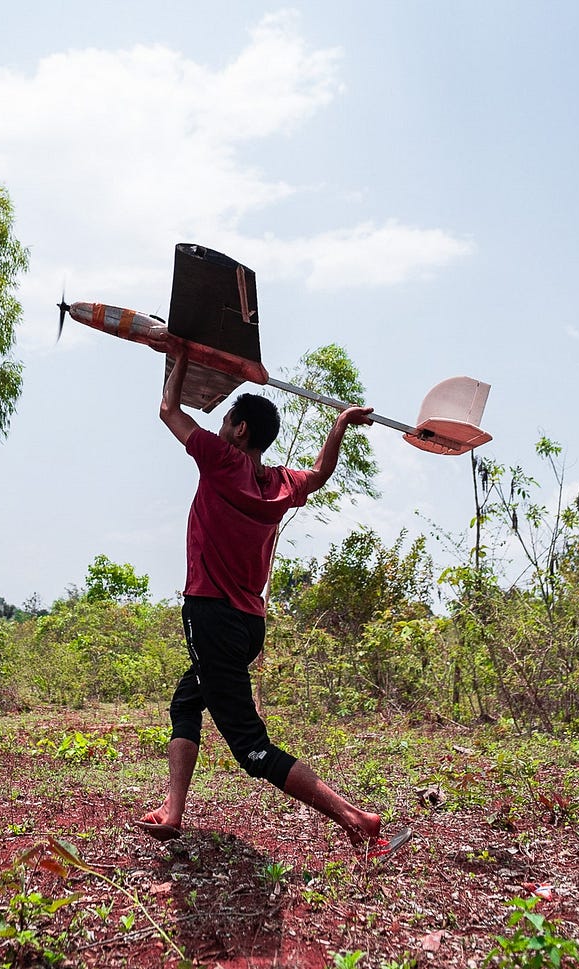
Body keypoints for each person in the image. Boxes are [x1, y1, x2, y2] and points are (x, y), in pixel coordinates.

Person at [136, 341, 411, 859]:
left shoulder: (221, 461)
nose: (219, 425)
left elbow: (168, 410)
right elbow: (322, 473)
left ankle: (359, 819)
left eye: (227, 419)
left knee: (251, 749)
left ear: (239, 430)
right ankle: (173, 810)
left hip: (212, 615)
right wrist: (340, 426)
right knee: (186, 700)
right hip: (248, 626)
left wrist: (179, 359)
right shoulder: (281, 484)